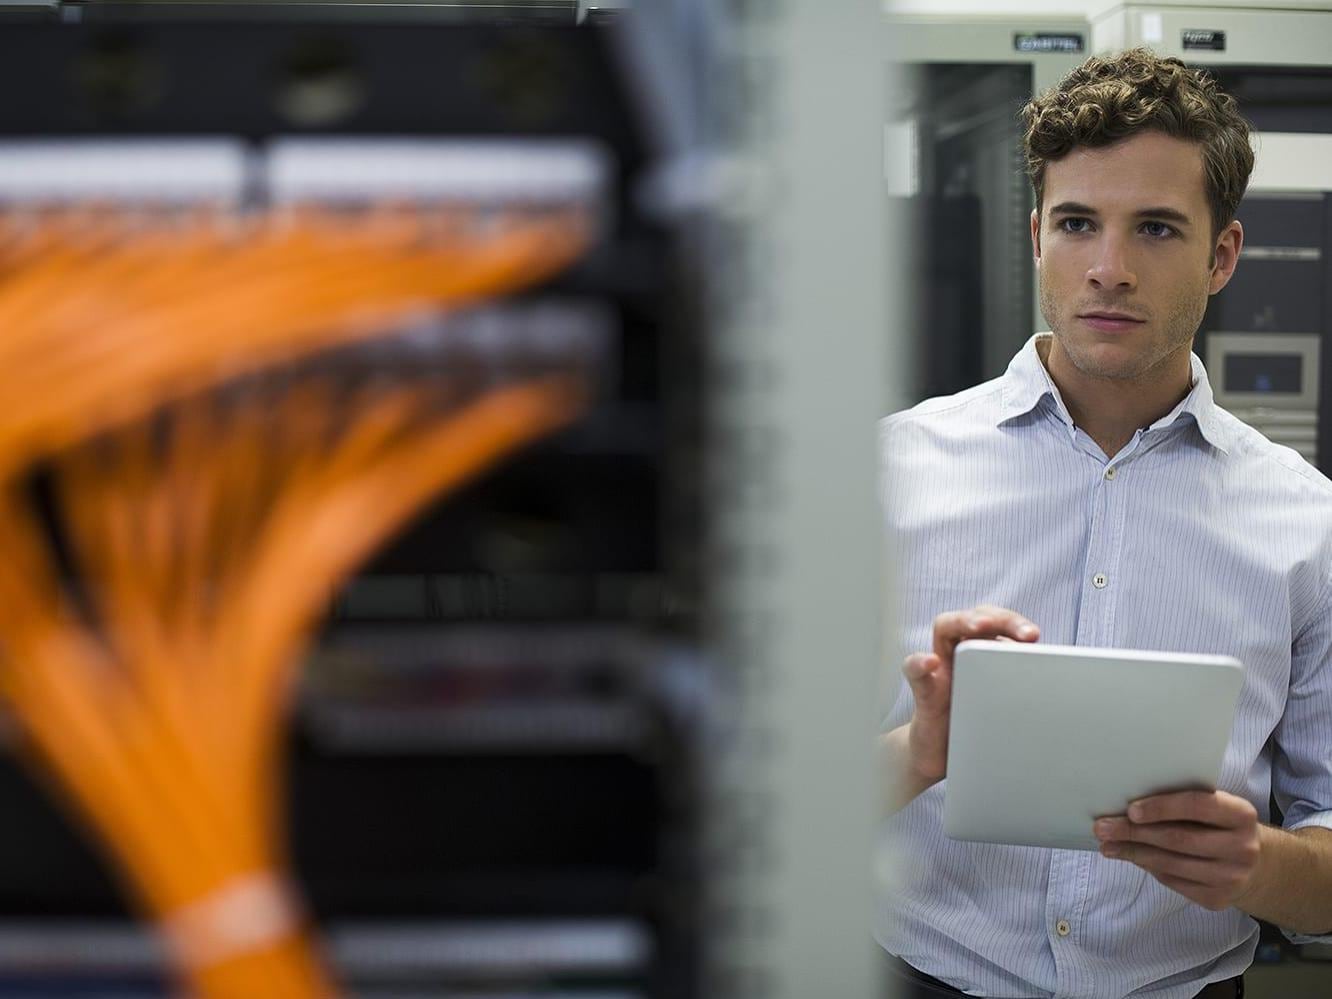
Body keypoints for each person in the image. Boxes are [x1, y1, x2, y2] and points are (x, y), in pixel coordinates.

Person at [876, 48, 1332, 999]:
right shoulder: (890, 474)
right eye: (1079, 223)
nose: (1110, 269)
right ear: (1038, 234)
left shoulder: (1308, 524)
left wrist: (1257, 868)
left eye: (1157, 229)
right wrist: (917, 755)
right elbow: (767, 815)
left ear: (1223, 256)